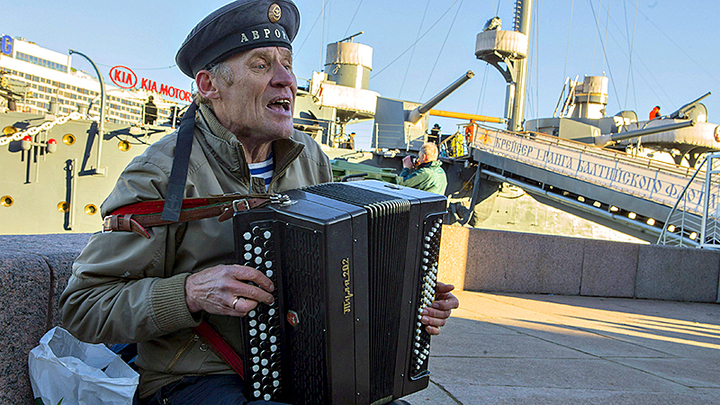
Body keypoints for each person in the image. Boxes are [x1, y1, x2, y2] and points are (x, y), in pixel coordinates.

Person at [59, 1, 459, 404]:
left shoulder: (310, 155)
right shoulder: (161, 172)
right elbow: (82, 306)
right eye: (261, 65)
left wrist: (410, 296)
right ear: (209, 86)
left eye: (287, 64)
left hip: (303, 367)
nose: (286, 80)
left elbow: (341, 261)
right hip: (194, 379)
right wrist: (189, 293)